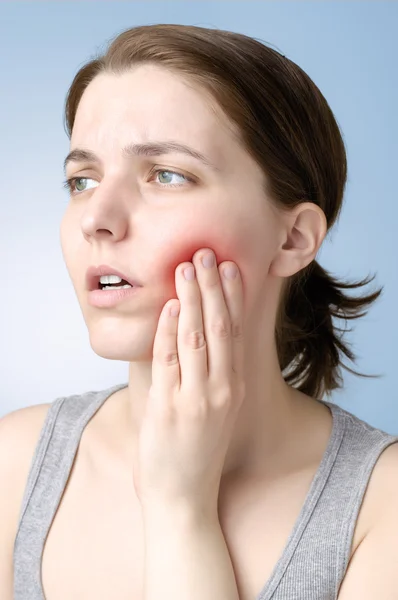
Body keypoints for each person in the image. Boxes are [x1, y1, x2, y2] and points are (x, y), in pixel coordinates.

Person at [1, 23, 398, 600]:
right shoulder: (14, 463)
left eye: (166, 175)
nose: (96, 218)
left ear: (292, 239)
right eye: (82, 180)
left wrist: (179, 509)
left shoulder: (379, 507)